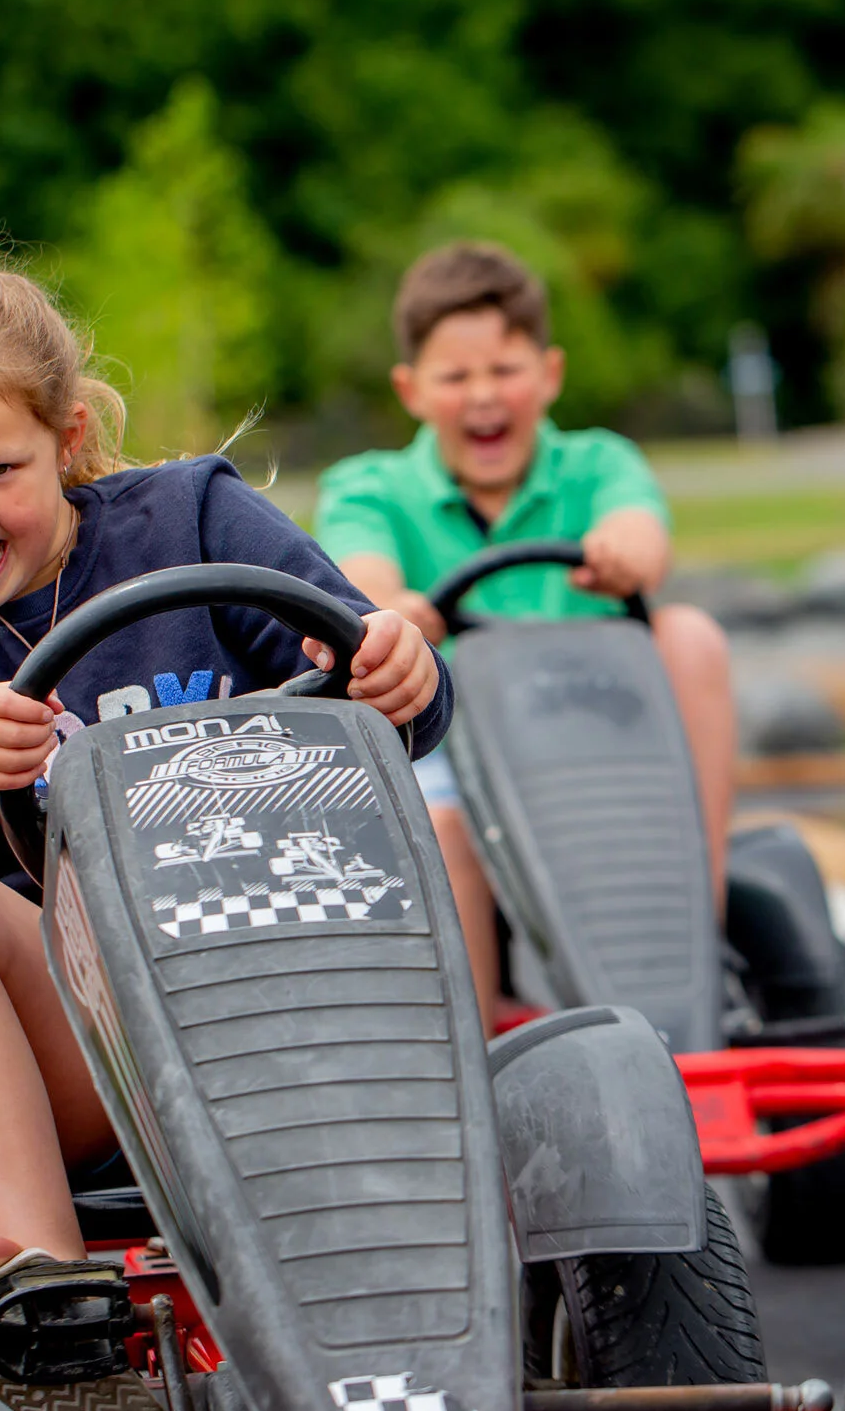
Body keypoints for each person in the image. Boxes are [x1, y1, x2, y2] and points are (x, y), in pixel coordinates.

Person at [0, 246, 449, 1411]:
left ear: (64, 437)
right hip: (96, 1046)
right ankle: (50, 1295)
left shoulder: (192, 519)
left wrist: (399, 673)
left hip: (302, 988)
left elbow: (365, 677)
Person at [311, 240, 737, 1024]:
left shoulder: (597, 465)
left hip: (600, 735)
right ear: (411, 389)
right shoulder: (371, 487)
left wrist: (623, 554)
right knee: (440, 823)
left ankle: (696, 945)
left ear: (549, 374)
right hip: (458, 751)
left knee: (689, 635)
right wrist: (396, 605)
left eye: (505, 369)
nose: (484, 395)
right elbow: (359, 578)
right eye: (456, 376)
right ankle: (472, 1038)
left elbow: (642, 534)